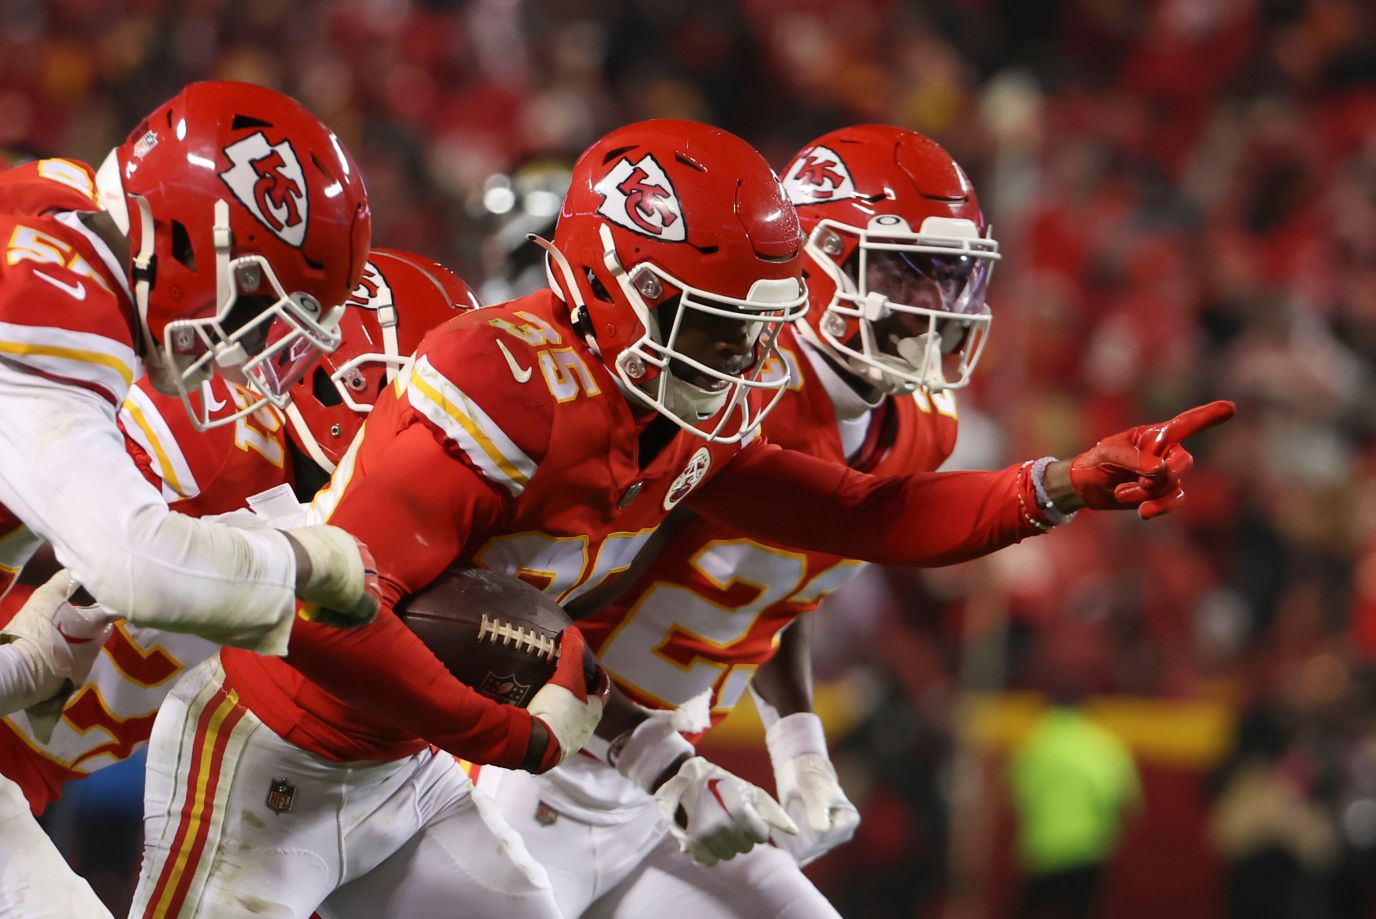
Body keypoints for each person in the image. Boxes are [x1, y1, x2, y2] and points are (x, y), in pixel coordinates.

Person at [128, 118, 1228, 919]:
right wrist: (510, 731)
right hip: (276, 749)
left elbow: (856, 516)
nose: (743, 364)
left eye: (754, 331)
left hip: (416, 768)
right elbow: (323, 615)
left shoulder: (689, 404)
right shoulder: (503, 380)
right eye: (709, 329)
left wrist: (1063, 485)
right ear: (616, 289)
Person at [470, 123, 996, 918]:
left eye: (949, 277)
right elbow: (545, 597)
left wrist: (799, 744)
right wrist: (650, 756)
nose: (932, 306)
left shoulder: (924, 424)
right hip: (541, 755)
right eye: (902, 270)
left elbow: (780, 584)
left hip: (662, 785)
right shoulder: (723, 393)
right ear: (813, 262)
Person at [0, 80, 384, 919]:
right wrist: (304, 562)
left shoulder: (57, 208)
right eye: (257, 308)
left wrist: (16, 664)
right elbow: (139, 563)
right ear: (188, 236)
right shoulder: (51, 300)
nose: (250, 353)